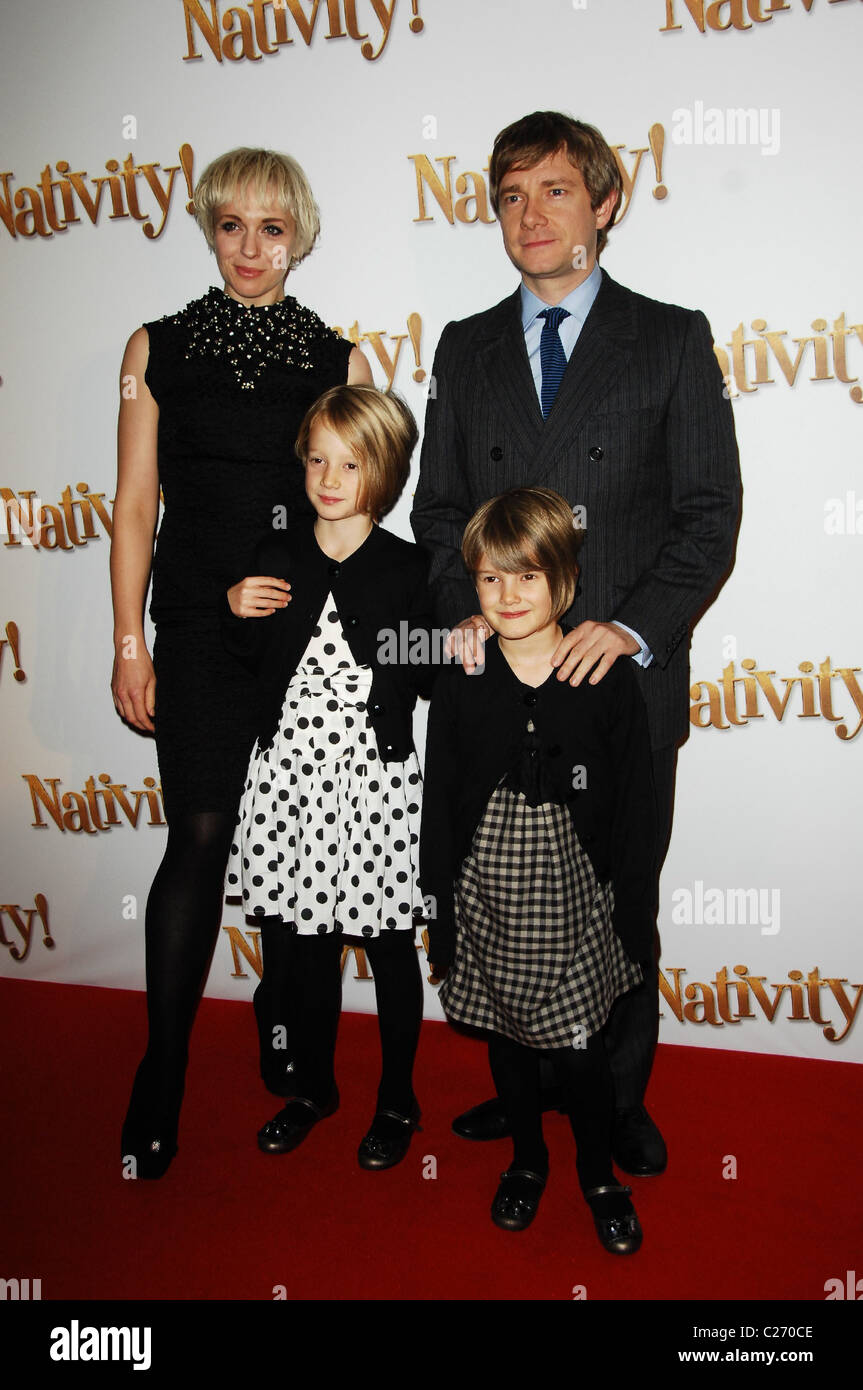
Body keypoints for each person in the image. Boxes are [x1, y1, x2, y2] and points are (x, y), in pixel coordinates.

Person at [411, 110, 741, 1175]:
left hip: (616, 689)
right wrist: (460, 603)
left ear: (604, 203)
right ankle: (530, 1088)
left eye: (553, 190)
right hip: (495, 688)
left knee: (614, 900)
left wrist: (632, 625)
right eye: (509, 195)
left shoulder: (670, 335)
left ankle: (613, 1095)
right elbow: (437, 511)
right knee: (503, 895)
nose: (528, 215)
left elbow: (706, 516)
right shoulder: (464, 346)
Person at [111, 147, 371, 1178]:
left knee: (305, 846)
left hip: (302, 632)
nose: (251, 246)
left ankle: (291, 1037)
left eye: (272, 227)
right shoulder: (153, 347)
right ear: (209, 229)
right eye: (231, 224)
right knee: (201, 839)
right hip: (195, 625)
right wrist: (133, 638)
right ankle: (160, 1070)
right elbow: (135, 505)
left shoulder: (339, 361)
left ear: (298, 235)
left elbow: (351, 503)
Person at [421, 487, 654, 1252]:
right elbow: (442, 791)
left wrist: (630, 907)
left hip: (575, 891)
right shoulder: (462, 670)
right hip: (486, 888)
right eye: (490, 578)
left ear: (566, 580)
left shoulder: (604, 673)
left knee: (580, 1046)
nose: (508, 594)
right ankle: (525, 1161)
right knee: (507, 1033)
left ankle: (596, 1175)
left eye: (527, 576)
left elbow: (632, 803)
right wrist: (440, 902)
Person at [223, 385, 432, 1168]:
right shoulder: (274, 551)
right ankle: (312, 1087)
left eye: (349, 462)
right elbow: (248, 664)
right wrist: (232, 610)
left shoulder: (410, 565)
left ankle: (397, 1099)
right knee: (298, 950)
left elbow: (424, 677)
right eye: (317, 459)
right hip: (288, 782)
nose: (329, 477)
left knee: (386, 947)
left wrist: (451, 643)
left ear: (384, 470)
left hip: (374, 785)